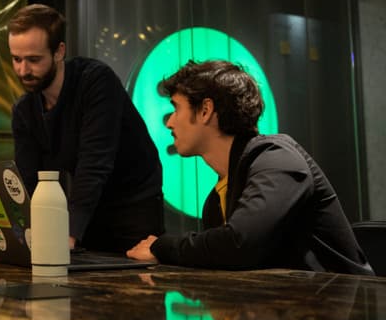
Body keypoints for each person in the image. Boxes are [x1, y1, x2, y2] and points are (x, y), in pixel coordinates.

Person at [126, 60, 373, 275]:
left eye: (176, 108)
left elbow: (239, 244)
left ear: (205, 110)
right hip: (279, 318)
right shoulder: (215, 201)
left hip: (351, 317)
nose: (169, 122)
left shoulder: (277, 157)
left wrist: (162, 246)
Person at [8, 4, 164, 252]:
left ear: (59, 52)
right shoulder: (24, 110)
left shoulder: (96, 81)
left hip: (134, 204)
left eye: (34, 60)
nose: (23, 70)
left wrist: (67, 234)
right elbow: (30, 181)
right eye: (16, 59)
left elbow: (95, 161)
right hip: (89, 206)